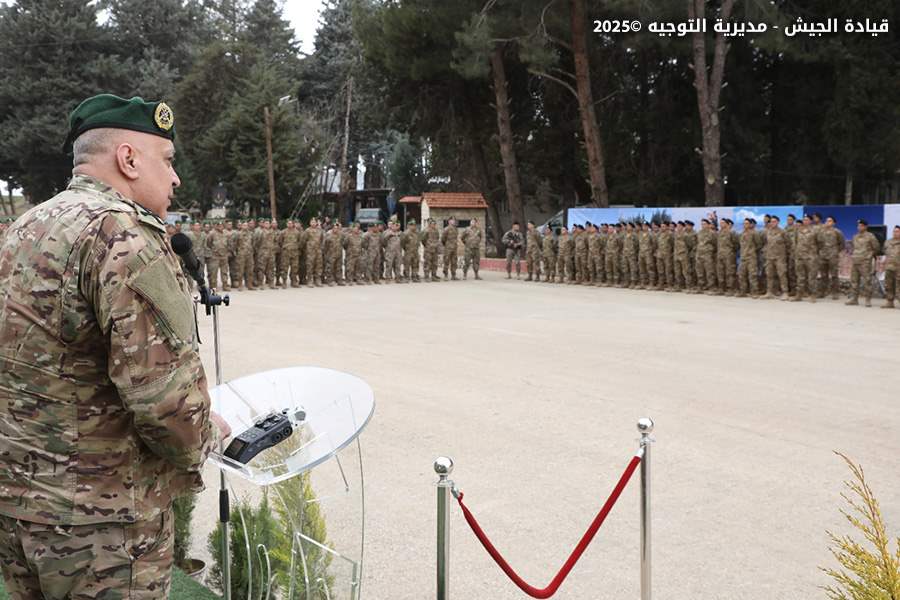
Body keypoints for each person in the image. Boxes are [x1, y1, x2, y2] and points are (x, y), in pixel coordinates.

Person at [0, 94, 229, 599]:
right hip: (102, 526)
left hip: (19, 507)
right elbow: (165, 401)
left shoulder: (25, 227)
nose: (175, 178)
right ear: (128, 159)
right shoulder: (123, 235)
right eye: (167, 160)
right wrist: (207, 433)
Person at [846, 219, 881, 307]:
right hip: (855, 261)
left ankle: (867, 300)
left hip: (865, 262)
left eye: (861, 225)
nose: (859, 227)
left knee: (867, 281)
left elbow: (876, 247)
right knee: (854, 281)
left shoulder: (870, 236)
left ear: (865, 227)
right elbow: (853, 247)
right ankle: (854, 299)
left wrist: (869, 255)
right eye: (858, 225)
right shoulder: (855, 236)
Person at [816, 216, 846, 300]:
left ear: (834, 223)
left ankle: (835, 293)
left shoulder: (837, 232)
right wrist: (820, 251)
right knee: (823, 275)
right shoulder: (821, 232)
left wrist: (836, 251)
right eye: (826, 221)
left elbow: (842, 244)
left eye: (830, 221)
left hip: (833, 256)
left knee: (834, 275)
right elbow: (818, 243)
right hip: (823, 256)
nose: (827, 222)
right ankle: (822, 292)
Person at [792, 215, 820, 302]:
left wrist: (814, 253)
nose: (805, 221)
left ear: (810, 221)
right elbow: (796, 242)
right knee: (800, 277)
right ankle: (799, 294)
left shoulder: (815, 231)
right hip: (800, 257)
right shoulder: (798, 230)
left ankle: (813, 295)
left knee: (812, 277)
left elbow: (820, 243)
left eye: (807, 220)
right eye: (804, 220)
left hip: (810, 257)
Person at [882, 225, 900, 309]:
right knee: (888, 285)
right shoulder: (887, 242)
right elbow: (884, 252)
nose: (895, 233)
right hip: (889, 267)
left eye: (897, 231)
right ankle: (890, 302)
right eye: (894, 231)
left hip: (899, 268)